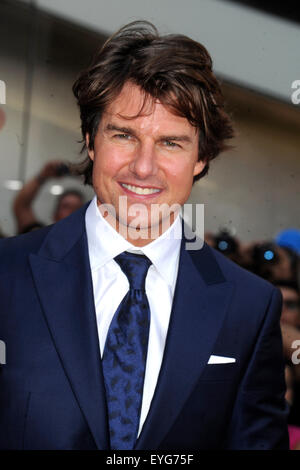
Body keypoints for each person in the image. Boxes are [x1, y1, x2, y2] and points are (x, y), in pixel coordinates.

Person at [0, 21, 289, 450]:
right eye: (124, 135)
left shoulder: (248, 307)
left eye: (171, 143)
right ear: (91, 140)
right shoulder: (7, 274)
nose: (143, 167)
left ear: (201, 157)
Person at [13, 160, 84, 234]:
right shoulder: (41, 238)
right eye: (66, 206)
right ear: (55, 215)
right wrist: (43, 176)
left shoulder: (90, 241)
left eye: (77, 208)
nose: (72, 212)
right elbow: (21, 206)